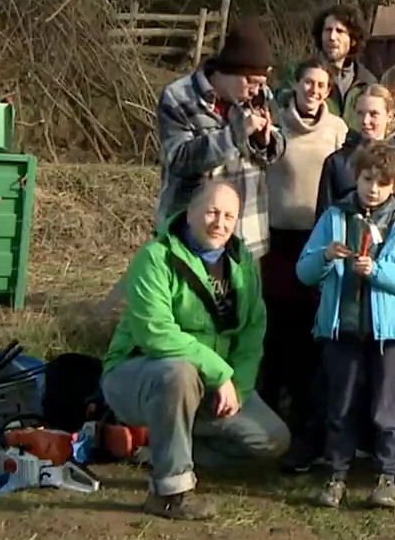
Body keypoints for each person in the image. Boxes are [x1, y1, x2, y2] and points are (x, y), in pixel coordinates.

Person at [101, 181, 289, 521]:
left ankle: (161, 448)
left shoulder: (242, 261)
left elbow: (252, 329)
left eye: (229, 216)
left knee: (273, 441)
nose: (220, 223)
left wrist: (239, 389)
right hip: (141, 376)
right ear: (190, 214)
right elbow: (156, 333)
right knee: (178, 372)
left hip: (213, 387)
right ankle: (170, 493)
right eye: (212, 212)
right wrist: (220, 373)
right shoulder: (154, 258)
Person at [296, 141, 395, 509]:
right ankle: (336, 476)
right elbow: (304, 272)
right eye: (367, 179)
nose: (373, 188)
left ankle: (387, 476)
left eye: (382, 183)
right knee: (341, 403)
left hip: (388, 335)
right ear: (356, 177)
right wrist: (324, 256)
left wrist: (378, 271)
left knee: (386, 406)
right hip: (342, 330)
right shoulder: (334, 218)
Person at [260, 57, 349, 459]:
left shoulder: (337, 130)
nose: (314, 90)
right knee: (276, 322)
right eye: (308, 82)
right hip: (277, 238)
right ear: (295, 84)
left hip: (317, 239)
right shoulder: (274, 125)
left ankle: (303, 411)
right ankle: (266, 402)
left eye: (321, 85)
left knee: (309, 325)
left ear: (329, 90)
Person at [155, 19, 285, 258]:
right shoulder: (178, 97)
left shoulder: (260, 96)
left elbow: (278, 142)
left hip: (246, 231)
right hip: (193, 232)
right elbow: (179, 158)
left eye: (261, 83)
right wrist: (234, 137)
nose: (256, 90)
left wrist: (264, 142)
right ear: (228, 72)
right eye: (251, 82)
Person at [317, 84, 395, 217]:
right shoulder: (337, 162)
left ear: (389, 115)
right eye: (360, 113)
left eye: (373, 114)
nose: (365, 121)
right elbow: (324, 217)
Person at [291, 5, 375, 120]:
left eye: (339, 31)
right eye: (328, 30)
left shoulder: (367, 82)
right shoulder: (300, 73)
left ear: (353, 40)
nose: (332, 37)